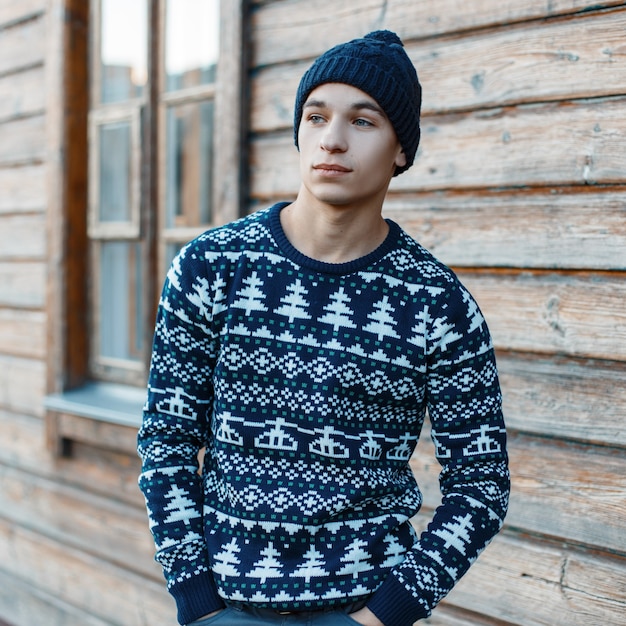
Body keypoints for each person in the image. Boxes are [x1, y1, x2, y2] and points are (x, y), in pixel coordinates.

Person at [138, 30, 510, 626]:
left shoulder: (438, 304)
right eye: (316, 117)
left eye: (363, 122)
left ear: (401, 151)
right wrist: (198, 600)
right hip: (226, 609)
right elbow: (167, 442)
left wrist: (384, 615)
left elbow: (481, 484)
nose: (332, 140)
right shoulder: (212, 268)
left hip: (360, 613)